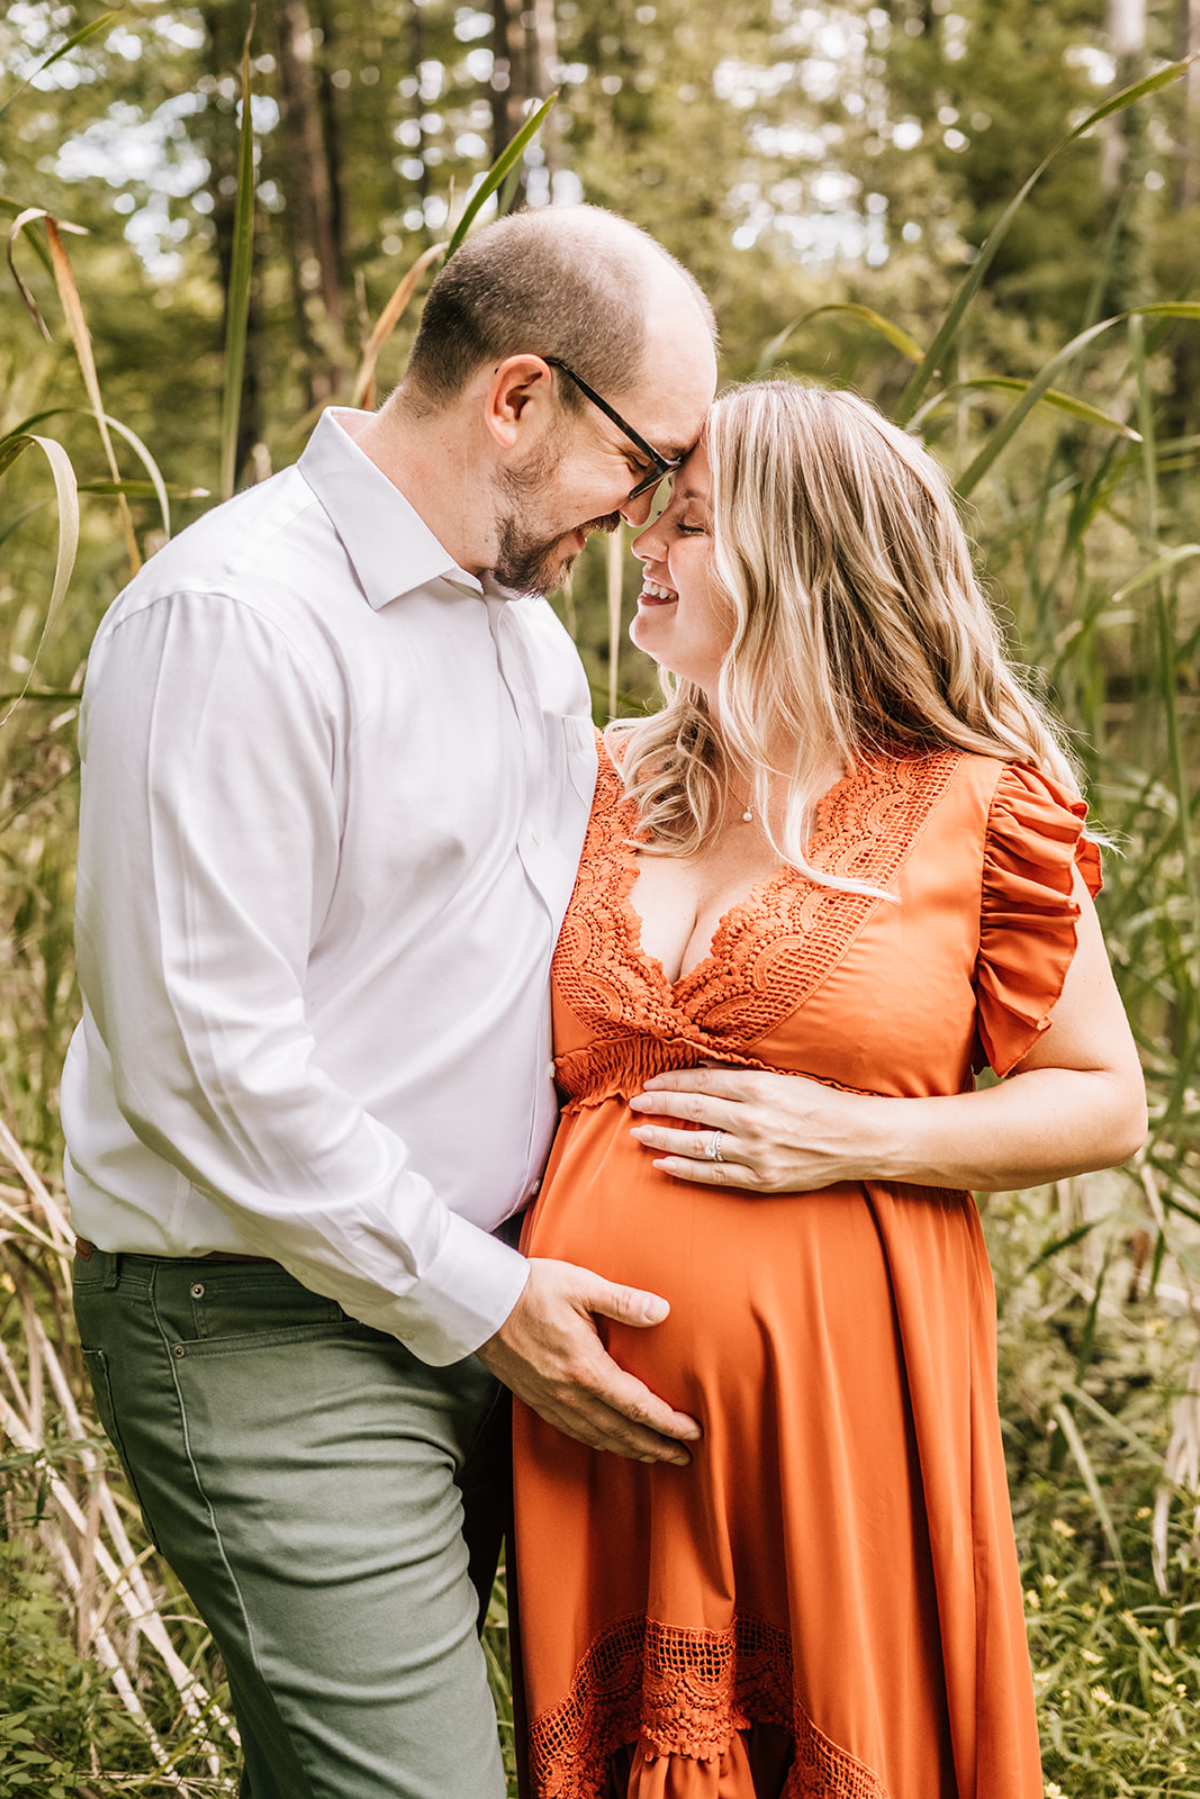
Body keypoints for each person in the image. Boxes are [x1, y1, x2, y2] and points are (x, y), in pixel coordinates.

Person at [63, 205, 720, 1799]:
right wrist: (481, 1300)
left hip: (485, 1301)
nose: (643, 515)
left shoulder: (525, 637)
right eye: (642, 463)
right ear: (518, 397)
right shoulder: (235, 622)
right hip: (268, 1324)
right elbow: (203, 1062)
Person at [512, 380, 1147, 1799]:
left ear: (806, 558)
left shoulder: (980, 804)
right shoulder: (593, 781)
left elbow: (1104, 1100)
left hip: (843, 1415)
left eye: (688, 522)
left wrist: (856, 1135)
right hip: (590, 1429)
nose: (642, 547)